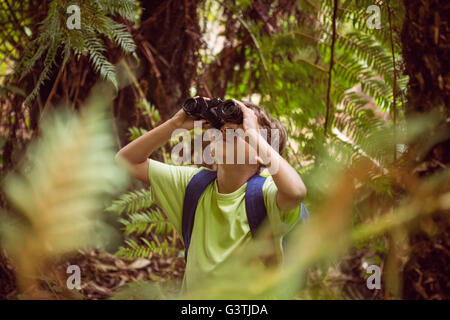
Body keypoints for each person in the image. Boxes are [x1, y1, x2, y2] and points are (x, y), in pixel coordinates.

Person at [115, 98, 307, 294]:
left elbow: (296, 192)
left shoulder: (266, 196)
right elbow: (127, 161)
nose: (225, 130)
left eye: (239, 130)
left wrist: (253, 134)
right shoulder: (193, 185)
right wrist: (175, 125)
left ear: (260, 152)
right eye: (223, 127)